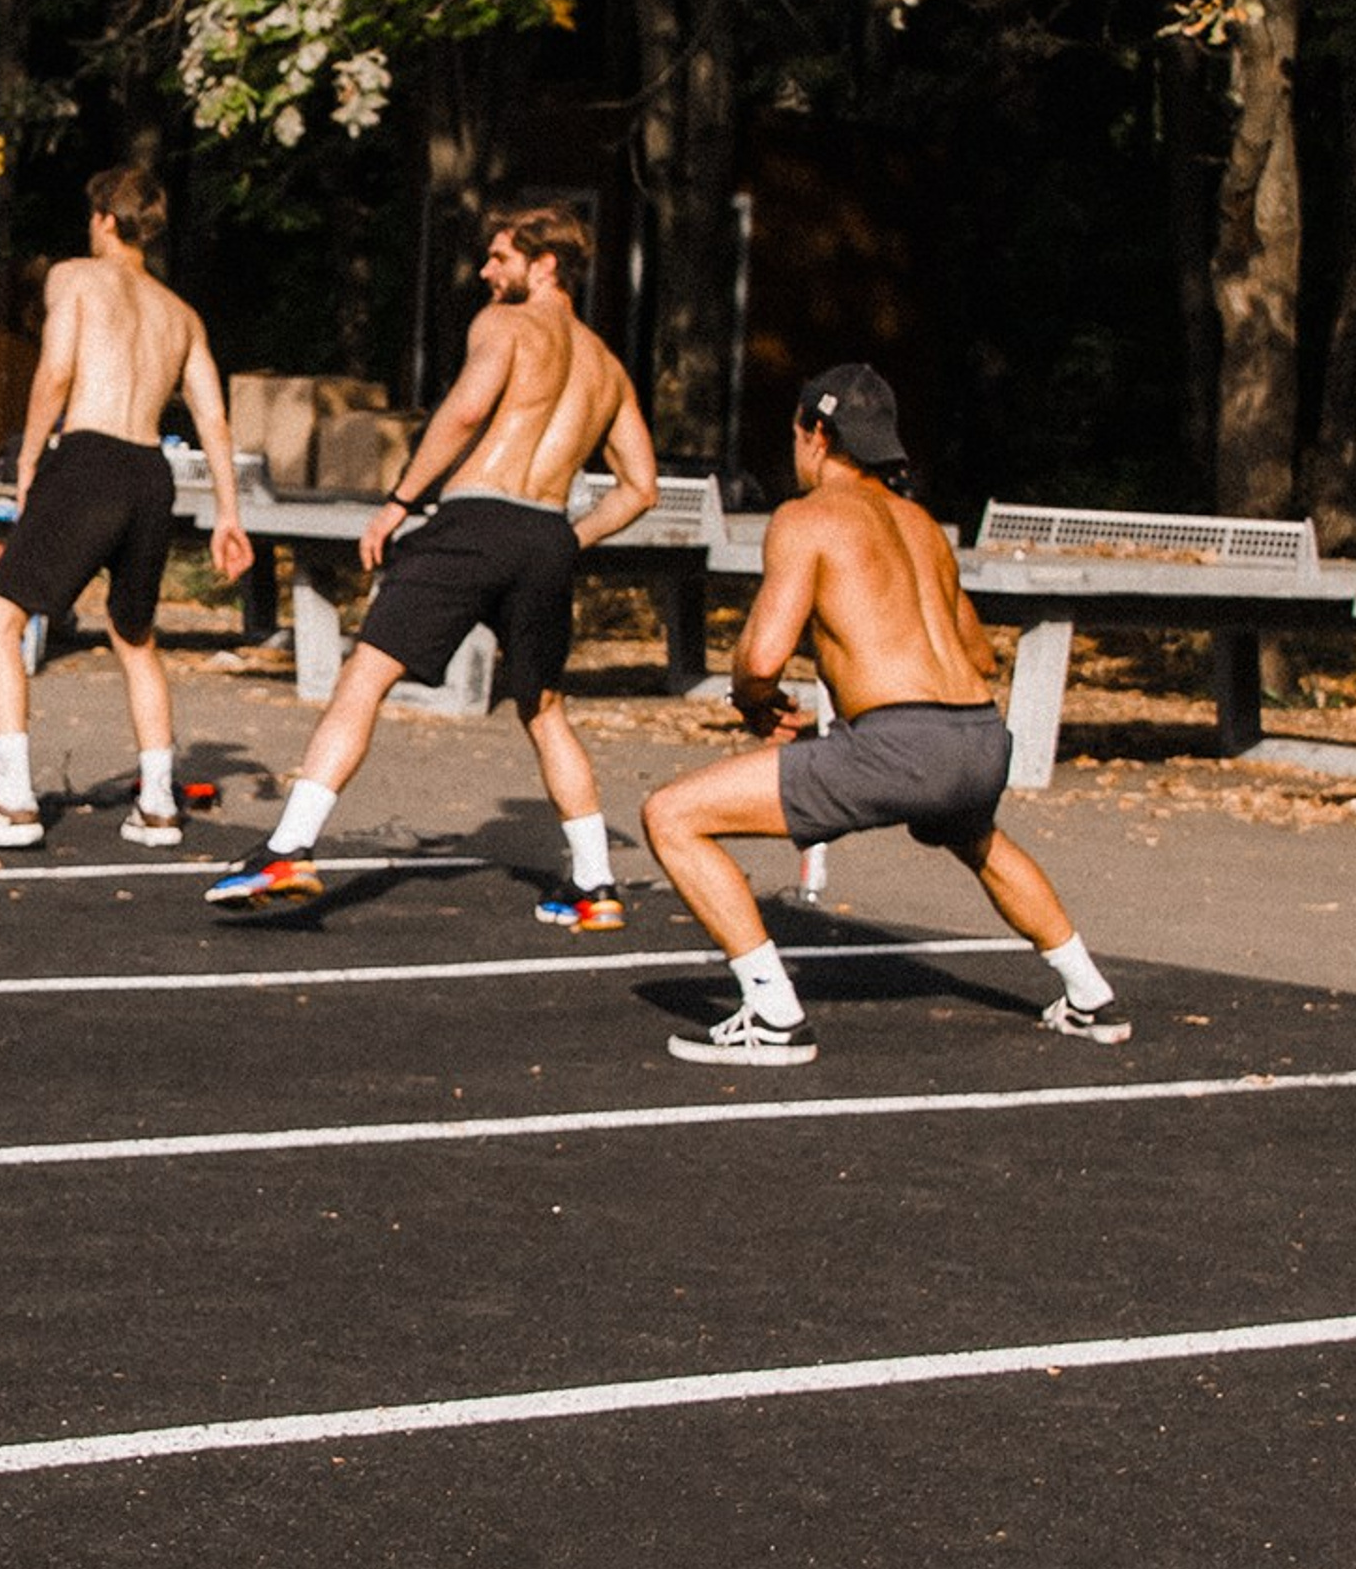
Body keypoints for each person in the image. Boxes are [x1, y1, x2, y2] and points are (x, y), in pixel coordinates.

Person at [643, 363, 1130, 1066]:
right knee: (975, 837)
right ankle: (1090, 996)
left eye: (795, 433)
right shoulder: (922, 526)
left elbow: (760, 661)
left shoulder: (805, 518)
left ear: (816, 433)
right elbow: (981, 658)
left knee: (672, 815)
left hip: (900, 746)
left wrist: (754, 704)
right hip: (980, 739)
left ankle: (774, 1017)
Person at [207, 205, 656, 917]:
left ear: (544, 265)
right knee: (543, 709)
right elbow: (641, 488)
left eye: (499, 258)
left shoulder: (505, 325)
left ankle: (288, 849)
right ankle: (594, 885)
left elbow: (466, 411)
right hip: (544, 535)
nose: (485, 272)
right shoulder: (607, 366)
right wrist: (570, 538)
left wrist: (399, 502)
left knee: (363, 677)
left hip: (475, 519)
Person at [0, 164, 253, 851]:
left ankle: (13, 801)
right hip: (149, 473)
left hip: (92, 458)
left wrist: (28, 458)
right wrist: (229, 513)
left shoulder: (73, 277)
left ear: (105, 218)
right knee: (134, 637)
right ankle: (159, 806)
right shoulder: (180, 314)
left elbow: (56, 371)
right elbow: (214, 420)